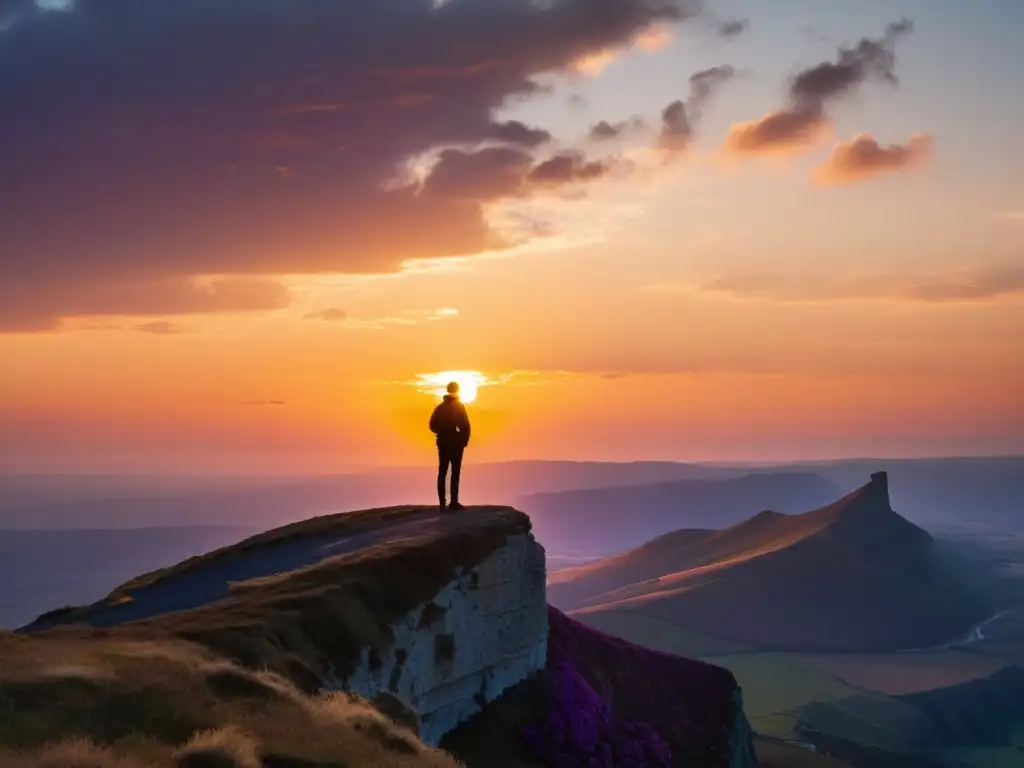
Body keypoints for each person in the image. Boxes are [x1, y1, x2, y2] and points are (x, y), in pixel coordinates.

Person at [429, 381, 471, 512]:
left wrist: (443, 432)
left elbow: (432, 426)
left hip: (444, 443)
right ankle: (453, 502)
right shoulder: (459, 407)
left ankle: (443, 504)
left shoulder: (440, 408)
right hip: (455, 444)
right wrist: (463, 440)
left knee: (443, 472)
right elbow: (466, 426)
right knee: (454, 473)